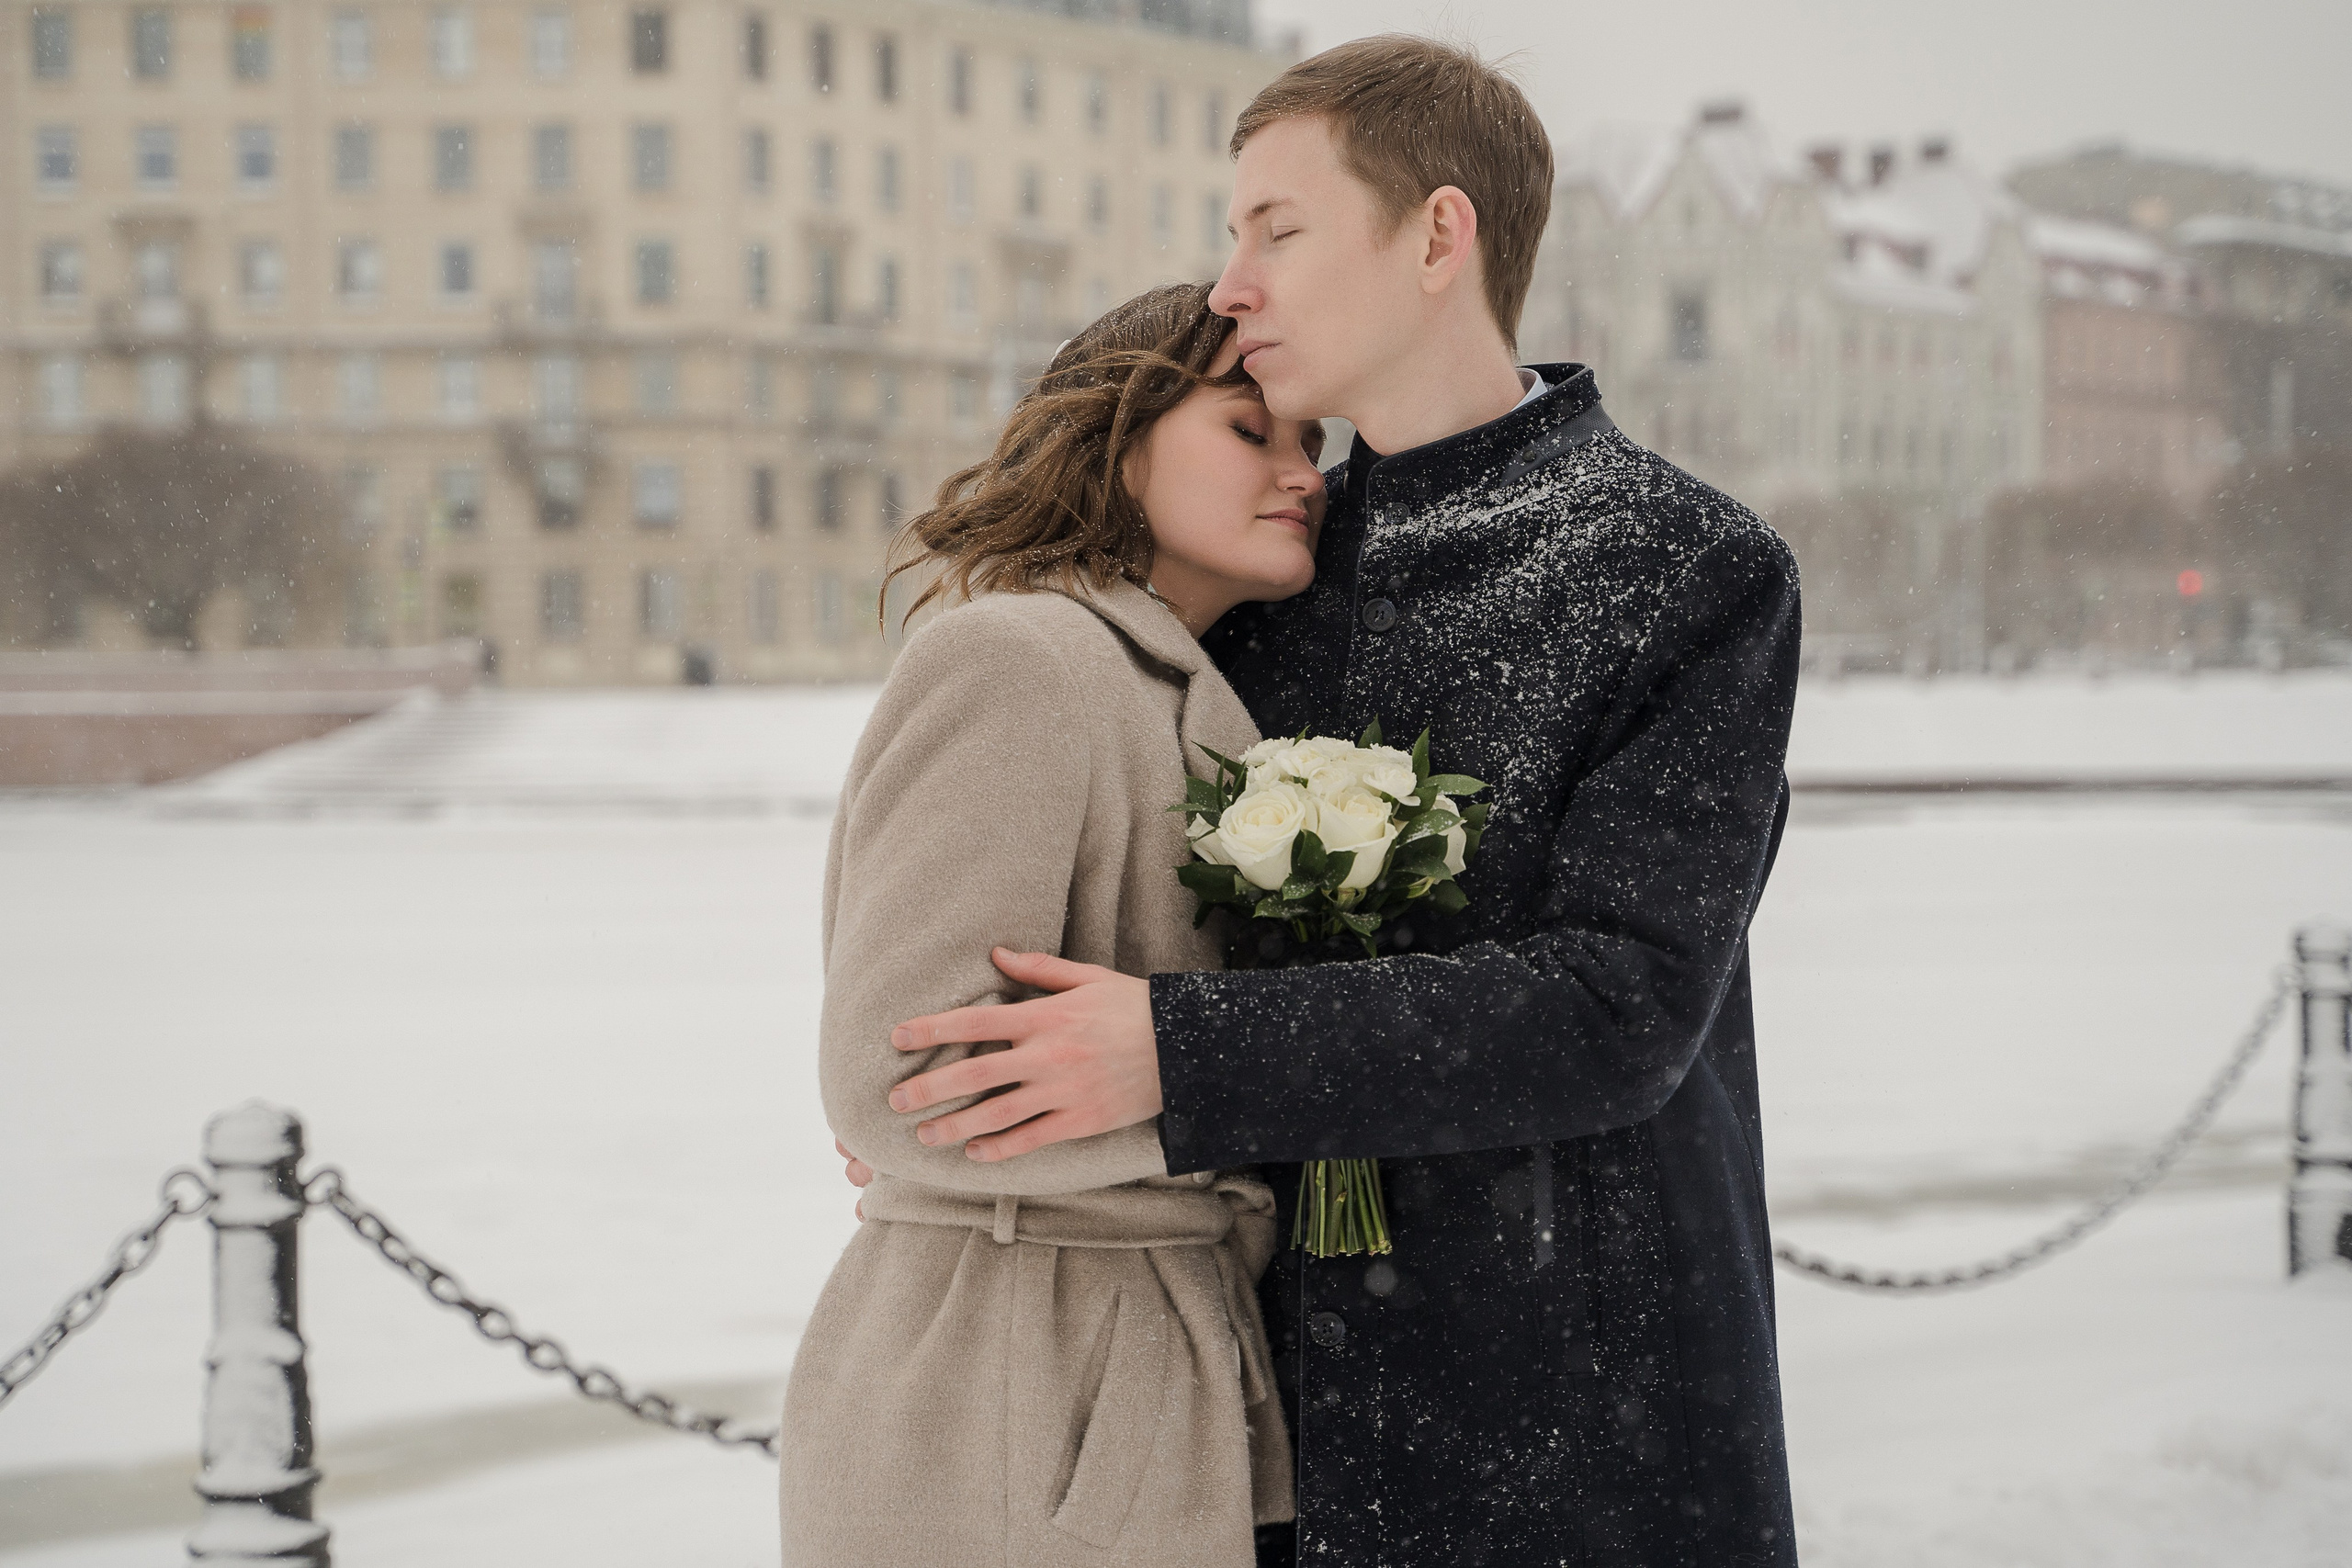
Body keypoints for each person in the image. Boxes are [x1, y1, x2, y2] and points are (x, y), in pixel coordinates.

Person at [862, 37, 1805, 1568]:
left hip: (1588, 1422)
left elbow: (1622, 1004)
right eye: (1233, 235)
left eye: (1275, 230)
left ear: (1440, 236)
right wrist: (991, 1083)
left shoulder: (1687, 569)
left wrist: (1165, 1054)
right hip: (1257, 1435)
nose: (1232, 282)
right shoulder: (1263, 568)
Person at [779, 282, 1328, 1568]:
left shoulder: (1172, 684)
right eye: (1251, 432)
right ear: (1119, 441)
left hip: (1129, 1356)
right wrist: (1256, 1085)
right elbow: (899, 1078)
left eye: (1312, 442)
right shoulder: (1021, 660)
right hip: (1010, 1377)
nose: (1302, 473)